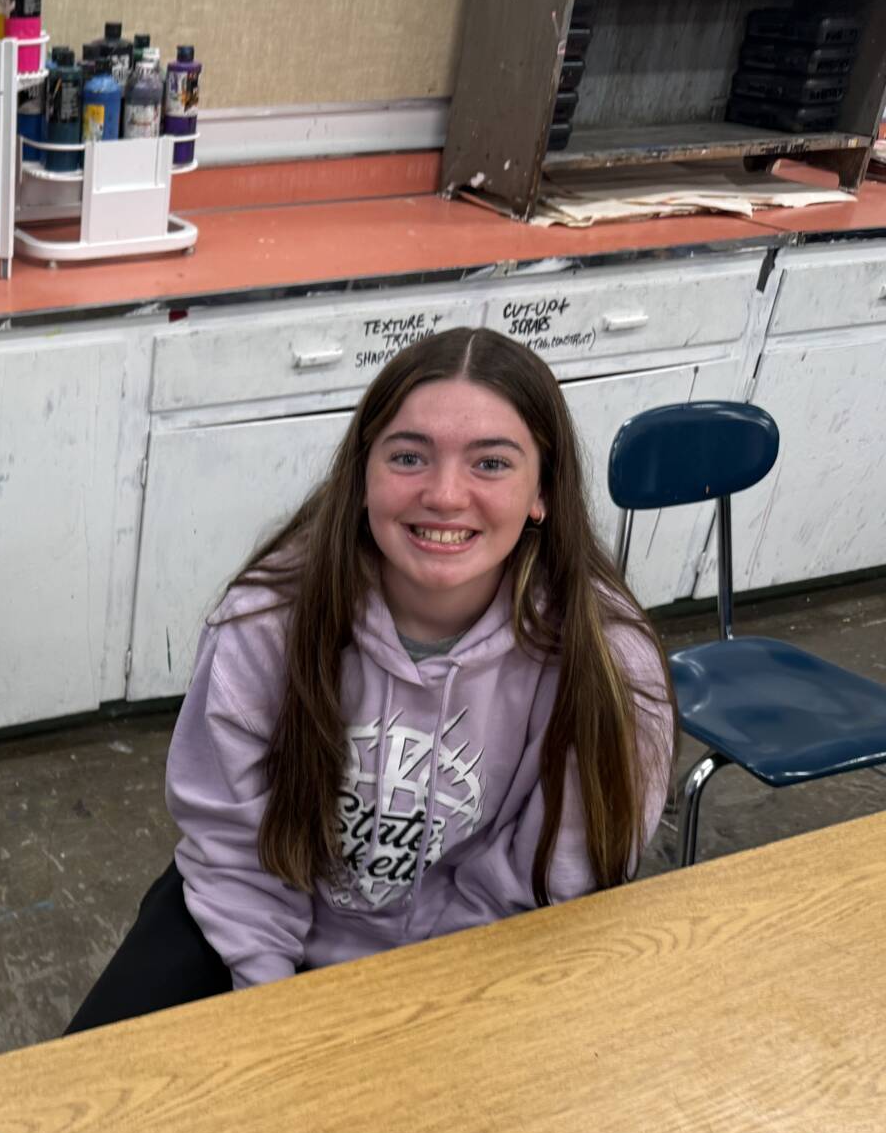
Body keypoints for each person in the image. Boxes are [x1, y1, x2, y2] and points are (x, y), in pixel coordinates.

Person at [70, 327, 675, 1031]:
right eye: (410, 457)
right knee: (82, 1095)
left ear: (543, 491)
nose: (445, 495)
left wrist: (409, 1015)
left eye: (491, 464)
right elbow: (235, 851)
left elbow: (555, 889)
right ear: (363, 476)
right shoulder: (266, 623)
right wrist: (272, 1014)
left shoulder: (607, 664)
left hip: (471, 965)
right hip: (262, 922)